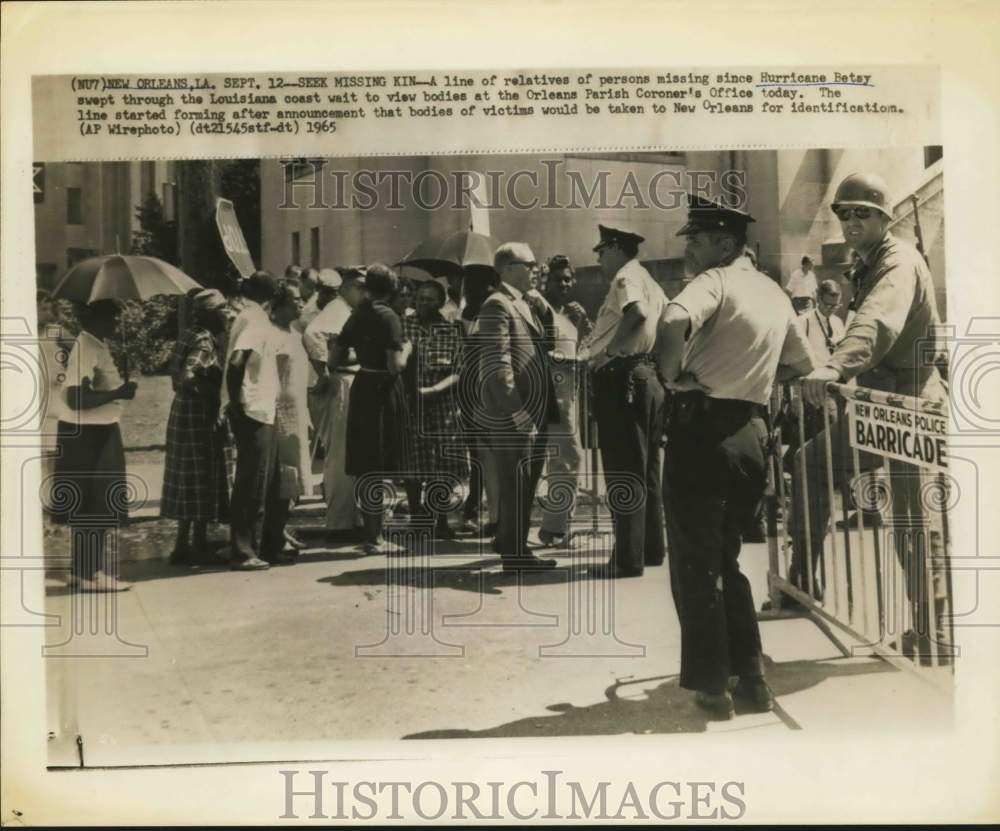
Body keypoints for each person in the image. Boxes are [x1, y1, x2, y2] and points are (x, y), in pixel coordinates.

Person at [655, 195, 814, 719]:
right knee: (727, 561)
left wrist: (672, 375)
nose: (692, 250)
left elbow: (671, 320)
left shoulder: (715, 281)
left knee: (697, 564)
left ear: (725, 243)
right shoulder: (772, 291)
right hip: (751, 435)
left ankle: (712, 686)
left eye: (697, 240)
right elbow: (804, 363)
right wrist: (759, 384)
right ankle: (752, 677)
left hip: (701, 431)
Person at [798, 171, 950, 662]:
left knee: (914, 518)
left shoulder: (897, 263)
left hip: (909, 404)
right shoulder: (866, 261)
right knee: (809, 466)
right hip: (877, 403)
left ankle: (936, 634)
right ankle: (801, 581)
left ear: (884, 219)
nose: (850, 221)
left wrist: (834, 364)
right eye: (844, 212)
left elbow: (876, 320)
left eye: (862, 212)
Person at [586, 225, 667, 578]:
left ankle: (626, 559)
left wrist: (611, 353)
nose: (600, 259)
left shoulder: (625, 278)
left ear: (617, 249)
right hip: (647, 376)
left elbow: (636, 314)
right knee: (646, 470)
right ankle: (649, 550)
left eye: (601, 251)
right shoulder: (651, 280)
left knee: (623, 469)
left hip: (622, 377)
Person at [477, 242, 559, 571]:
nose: (537, 269)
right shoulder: (497, 305)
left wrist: (546, 309)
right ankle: (515, 557)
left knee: (524, 482)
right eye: (530, 263)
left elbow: (547, 344)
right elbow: (499, 367)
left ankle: (515, 548)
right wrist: (517, 412)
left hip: (532, 408)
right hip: (513, 411)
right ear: (509, 268)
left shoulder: (524, 303)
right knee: (515, 483)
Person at [53, 299, 138, 592]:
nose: (116, 324)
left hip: (92, 431)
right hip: (89, 434)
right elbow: (76, 398)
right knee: (97, 504)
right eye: (112, 318)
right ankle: (89, 574)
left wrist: (117, 392)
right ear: (97, 319)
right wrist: (119, 392)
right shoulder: (86, 347)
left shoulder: (94, 344)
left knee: (93, 504)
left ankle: (83, 571)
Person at [331, 263, 412, 553]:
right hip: (383, 389)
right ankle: (376, 537)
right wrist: (408, 348)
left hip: (363, 385)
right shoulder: (389, 316)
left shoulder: (357, 314)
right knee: (380, 462)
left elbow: (335, 358)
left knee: (366, 464)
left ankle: (371, 533)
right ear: (392, 289)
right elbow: (396, 365)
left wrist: (364, 357)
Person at [161, 289, 231, 564]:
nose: (226, 313)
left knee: (187, 477)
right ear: (209, 314)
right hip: (199, 414)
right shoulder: (204, 340)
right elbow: (188, 374)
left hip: (182, 412)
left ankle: (184, 543)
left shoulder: (188, 334)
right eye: (221, 309)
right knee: (201, 476)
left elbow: (176, 375)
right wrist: (210, 392)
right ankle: (196, 545)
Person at [226, 270, 283, 570]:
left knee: (260, 480)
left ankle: (256, 546)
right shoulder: (258, 322)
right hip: (253, 409)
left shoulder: (248, 316)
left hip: (258, 407)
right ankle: (244, 550)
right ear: (271, 297)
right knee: (253, 481)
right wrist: (237, 402)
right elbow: (237, 362)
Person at [402, 279, 468, 538]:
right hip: (411, 403)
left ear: (441, 303)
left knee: (445, 463)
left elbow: (458, 371)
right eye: (420, 298)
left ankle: (440, 519)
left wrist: (434, 391)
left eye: (429, 299)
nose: (422, 304)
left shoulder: (451, 330)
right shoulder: (404, 325)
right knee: (413, 462)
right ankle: (417, 517)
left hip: (443, 405)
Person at [304, 266, 366, 536]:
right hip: (342, 380)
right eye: (360, 288)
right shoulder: (338, 310)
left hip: (351, 380)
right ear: (349, 287)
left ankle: (352, 518)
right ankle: (340, 522)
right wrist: (324, 371)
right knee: (341, 453)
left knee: (351, 453)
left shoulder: (348, 311)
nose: (364, 293)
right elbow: (313, 334)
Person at [538, 254, 593, 547]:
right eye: (559, 278)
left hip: (570, 392)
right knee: (569, 458)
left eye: (569, 278)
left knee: (563, 460)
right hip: (551, 392)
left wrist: (582, 323)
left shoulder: (568, 313)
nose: (565, 283)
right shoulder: (541, 308)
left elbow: (588, 346)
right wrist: (566, 359)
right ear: (546, 280)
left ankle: (556, 527)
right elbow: (538, 350)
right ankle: (554, 528)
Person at [456, 266, 501, 536]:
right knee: (481, 456)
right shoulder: (467, 317)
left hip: (479, 390)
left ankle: (488, 513)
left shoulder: (475, 316)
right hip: (477, 391)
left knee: (484, 457)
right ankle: (481, 511)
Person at [268, 280, 310, 563]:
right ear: (280, 303)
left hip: (297, 408)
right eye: (295, 299)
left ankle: (280, 530)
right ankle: (273, 535)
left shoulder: (292, 333)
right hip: (281, 411)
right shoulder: (273, 335)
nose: (301, 303)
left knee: (294, 475)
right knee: (284, 475)